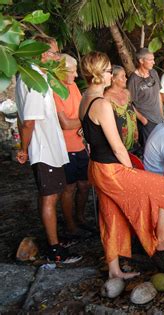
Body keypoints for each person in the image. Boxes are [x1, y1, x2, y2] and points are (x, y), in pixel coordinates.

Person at [79, 51, 164, 279]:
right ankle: (161, 239)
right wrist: (131, 171)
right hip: (111, 170)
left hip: (97, 168)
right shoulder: (102, 104)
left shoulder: (84, 99)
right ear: (99, 74)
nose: (113, 74)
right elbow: (118, 147)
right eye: (110, 71)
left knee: (111, 217)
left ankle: (114, 271)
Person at [15, 35, 82, 263]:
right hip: (43, 148)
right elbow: (28, 121)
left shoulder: (40, 77)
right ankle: (55, 250)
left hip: (49, 146)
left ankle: (54, 238)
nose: (56, 58)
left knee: (48, 195)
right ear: (42, 54)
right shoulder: (33, 81)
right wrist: (24, 148)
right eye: (54, 53)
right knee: (49, 198)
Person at [53, 53, 91, 237]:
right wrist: (84, 121)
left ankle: (80, 217)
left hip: (80, 144)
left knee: (84, 185)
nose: (76, 75)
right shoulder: (54, 90)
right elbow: (65, 123)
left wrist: (81, 122)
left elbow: (78, 113)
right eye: (73, 71)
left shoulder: (73, 85)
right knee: (69, 188)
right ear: (61, 71)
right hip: (66, 148)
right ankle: (70, 225)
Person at [127, 48, 163, 147]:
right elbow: (128, 103)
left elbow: (158, 94)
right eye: (150, 60)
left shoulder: (154, 73)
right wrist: (143, 120)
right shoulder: (133, 80)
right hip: (146, 122)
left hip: (159, 119)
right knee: (148, 148)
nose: (154, 62)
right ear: (141, 61)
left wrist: (161, 115)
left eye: (153, 59)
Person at [104, 65, 140, 153]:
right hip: (119, 144)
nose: (126, 79)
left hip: (134, 142)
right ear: (113, 79)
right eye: (122, 76)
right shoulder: (106, 97)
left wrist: (142, 119)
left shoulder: (127, 93)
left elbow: (131, 110)